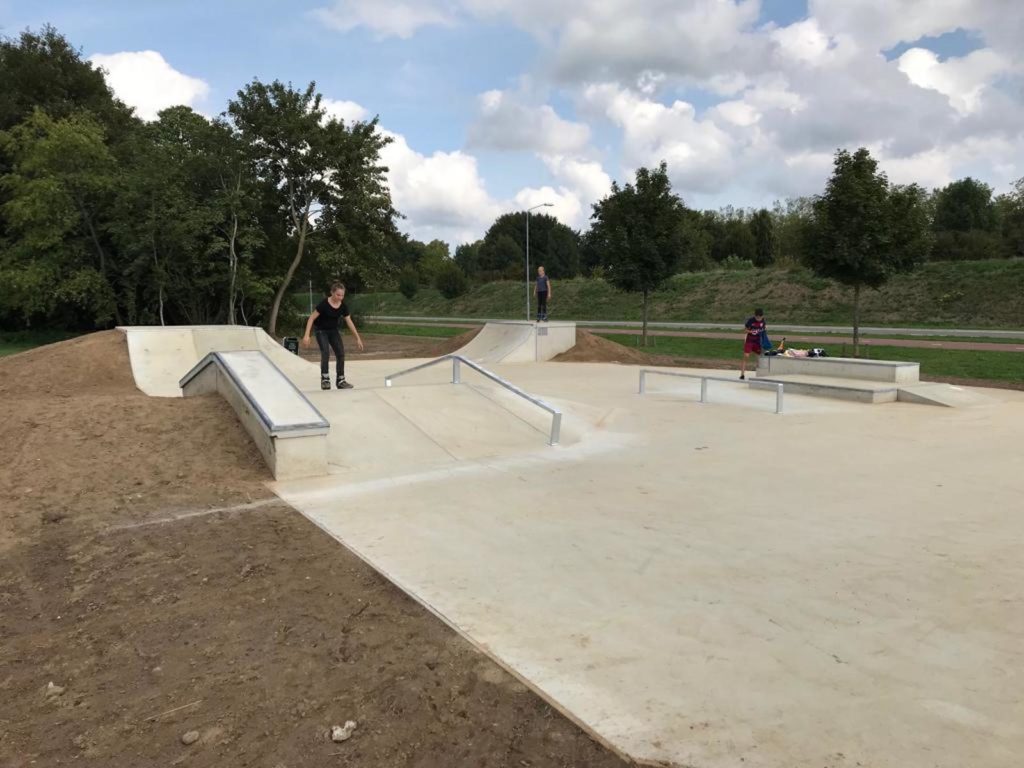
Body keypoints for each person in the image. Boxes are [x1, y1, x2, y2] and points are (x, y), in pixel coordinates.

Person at [302, 282, 364, 390]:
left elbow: (349, 322)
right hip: (321, 330)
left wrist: (357, 338)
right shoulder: (324, 304)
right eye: (338, 295)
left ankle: (341, 381)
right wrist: (307, 335)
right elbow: (311, 318)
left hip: (333, 331)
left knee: (340, 353)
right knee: (325, 352)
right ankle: (325, 379)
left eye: (342, 295)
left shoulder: (343, 306)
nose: (340, 298)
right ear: (332, 293)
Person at [740, 308, 766, 380]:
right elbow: (745, 330)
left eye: (760, 317)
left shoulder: (763, 321)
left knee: (758, 357)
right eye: (757, 317)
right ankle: (742, 374)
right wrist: (750, 331)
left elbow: (764, 329)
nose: (759, 319)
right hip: (750, 340)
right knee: (746, 356)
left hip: (757, 341)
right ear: (755, 316)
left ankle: (758, 374)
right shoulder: (750, 321)